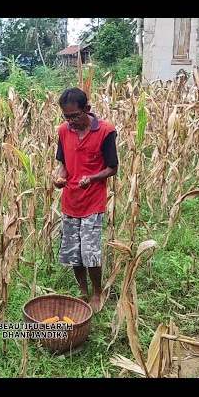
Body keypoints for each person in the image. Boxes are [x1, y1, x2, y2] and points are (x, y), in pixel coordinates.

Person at [53, 87, 118, 313]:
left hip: (93, 201)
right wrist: (59, 178)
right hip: (70, 200)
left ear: (87, 110)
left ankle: (97, 293)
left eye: (75, 116)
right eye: (66, 117)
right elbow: (62, 163)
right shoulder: (63, 131)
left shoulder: (106, 131)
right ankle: (82, 291)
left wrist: (91, 178)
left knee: (90, 252)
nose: (71, 122)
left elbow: (112, 168)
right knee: (73, 251)